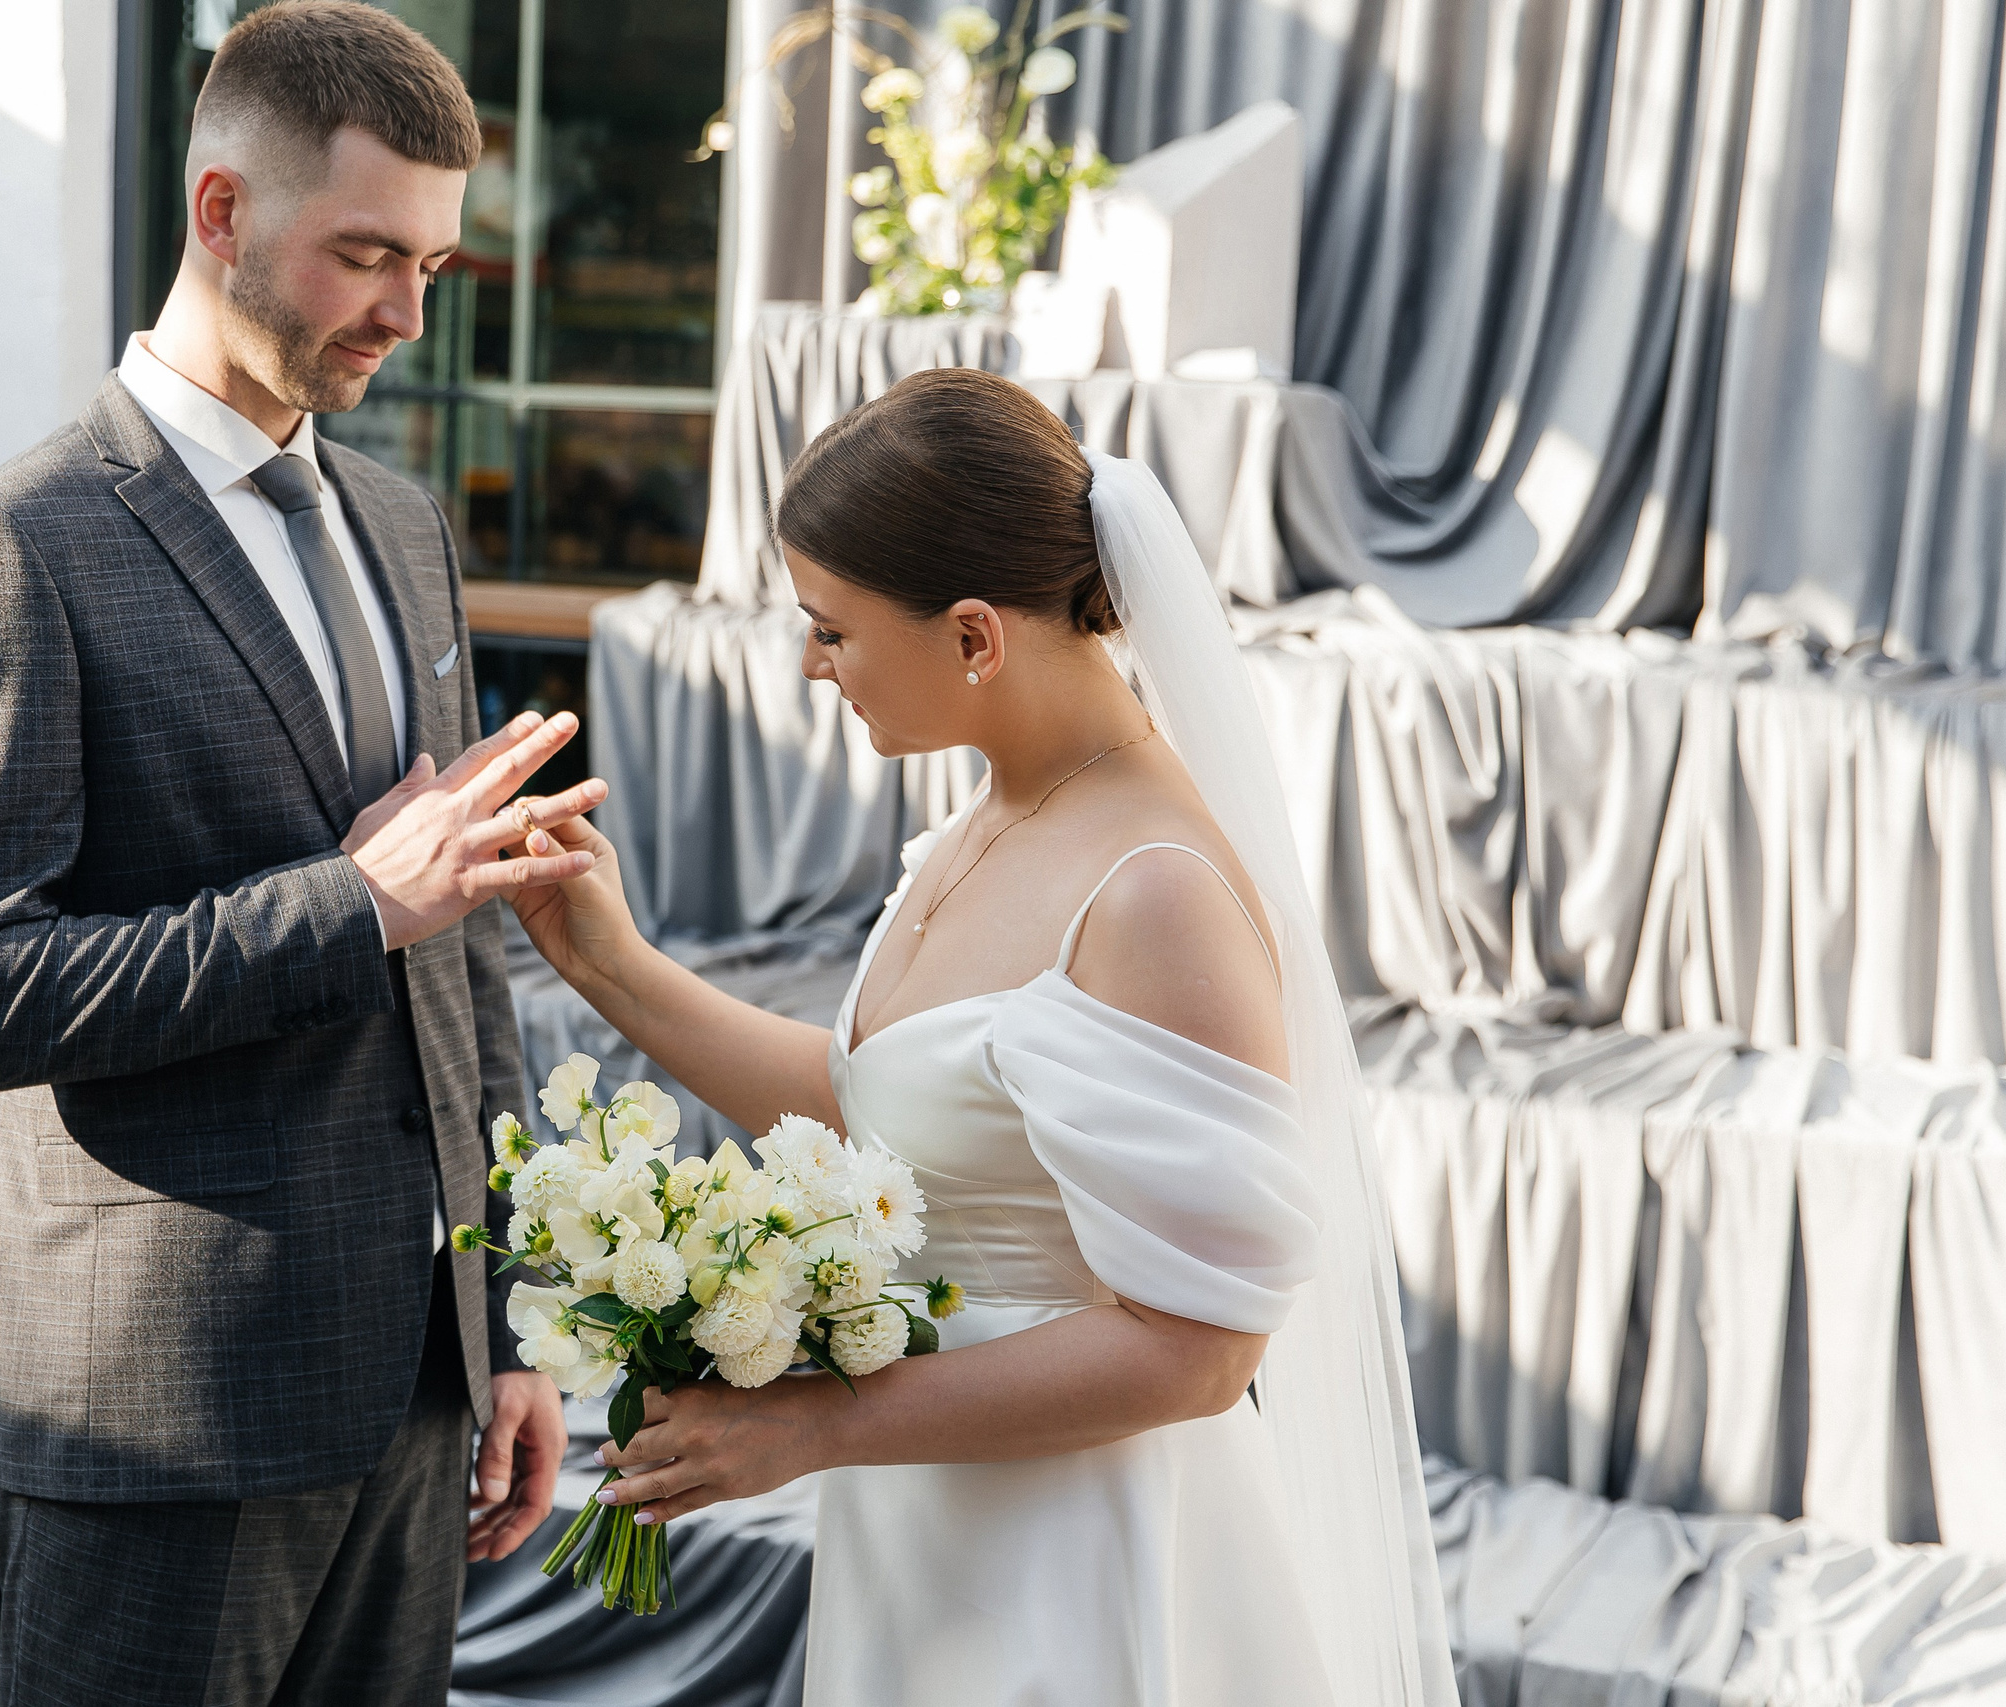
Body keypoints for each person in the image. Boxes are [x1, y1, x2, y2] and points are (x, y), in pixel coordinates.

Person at [508, 368, 1460, 1705]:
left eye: (831, 630)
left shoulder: (1154, 891)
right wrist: (610, 966)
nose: (811, 664)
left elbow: (1201, 1349)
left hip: (1074, 1566)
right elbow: (883, 1112)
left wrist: (814, 1425)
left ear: (972, 637)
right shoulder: (999, 807)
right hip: (929, 1534)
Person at [0, 6, 599, 1701]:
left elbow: (463, 939)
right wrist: (349, 904)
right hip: (163, 1413)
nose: (406, 315)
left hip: (413, 1397)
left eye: (431, 266)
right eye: (367, 256)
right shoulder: (11, 547)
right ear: (220, 212)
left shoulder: (404, 527)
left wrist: (513, 1320)